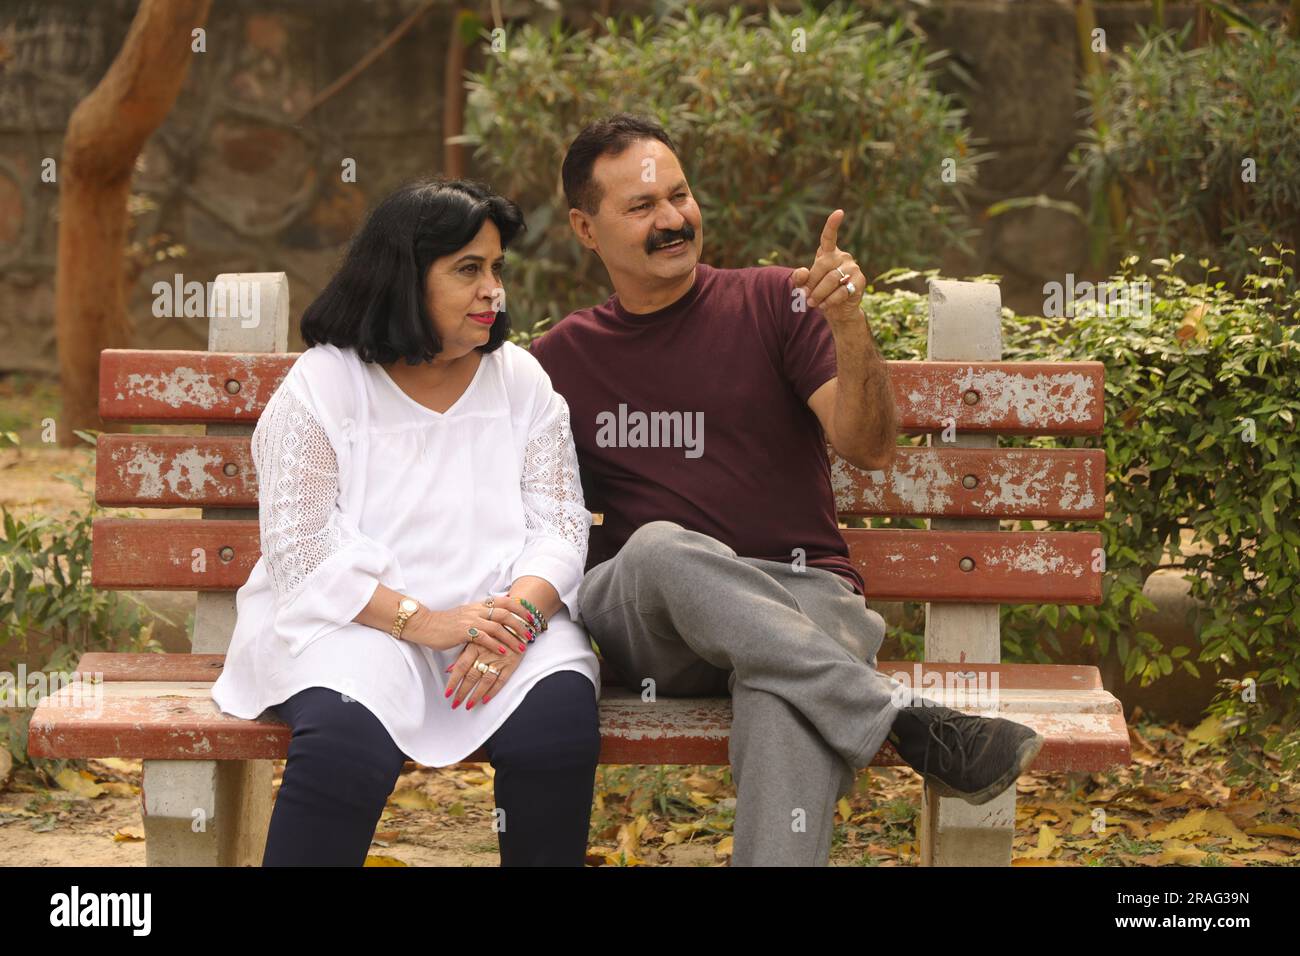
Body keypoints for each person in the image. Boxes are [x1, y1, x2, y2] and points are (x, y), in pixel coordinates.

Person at [529, 114, 1044, 867]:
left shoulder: (778, 303)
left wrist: (847, 321)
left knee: (785, 698)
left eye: (679, 195)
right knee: (660, 548)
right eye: (642, 208)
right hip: (654, 625)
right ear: (584, 227)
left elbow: (869, 447)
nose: (673, 220)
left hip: (803, 602)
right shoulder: (560, 360)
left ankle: (858, 715)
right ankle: (899, 718)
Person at [210, 178, 601, 867]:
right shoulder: (324, 384)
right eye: (468, 270)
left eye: (497, 269)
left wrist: (520, 620)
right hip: (355, 626)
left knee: (558, 728)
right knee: (344, 746)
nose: (494, 291)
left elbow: (562, 523)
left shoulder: (520, 379)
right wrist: (434, 624)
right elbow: (302, 553)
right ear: (402, 278)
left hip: (503, 619)